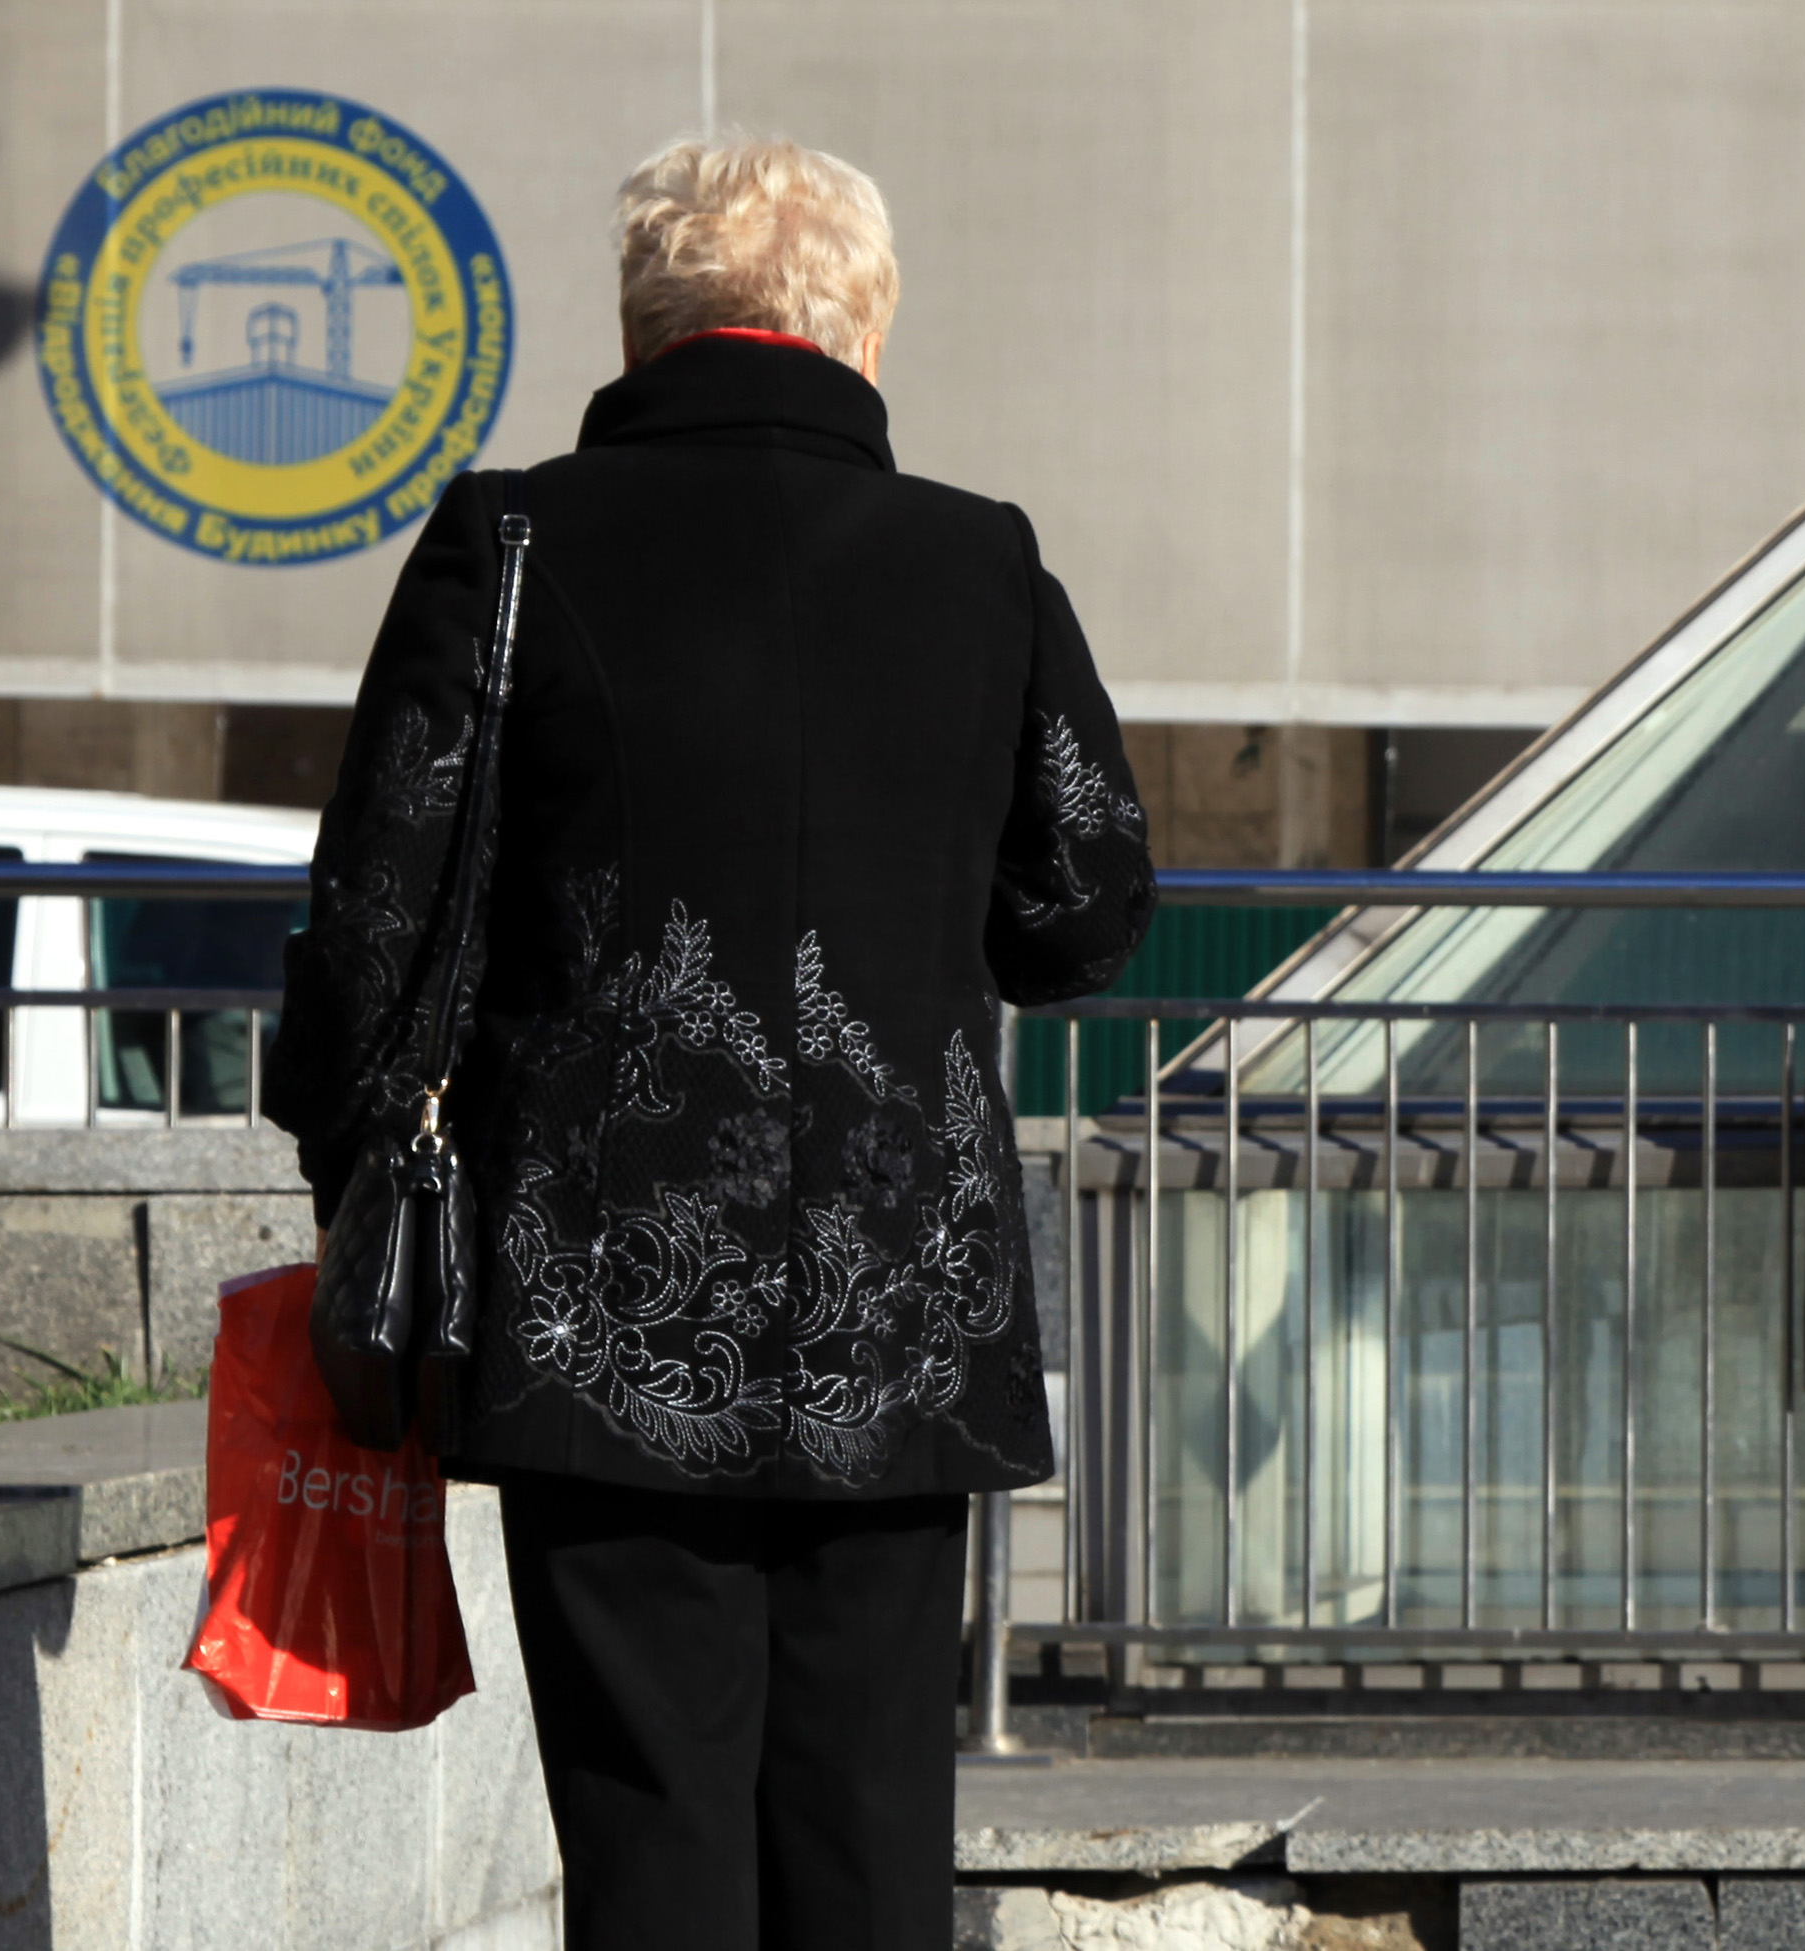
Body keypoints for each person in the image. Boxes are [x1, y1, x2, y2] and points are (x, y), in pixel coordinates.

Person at [265, 133, 1154, 1949]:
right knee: (869, 1822)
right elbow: (1085, 910)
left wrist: (341, 1152)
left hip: (601, 1300)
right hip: (897, 1305)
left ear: (645, 320)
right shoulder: (982, 564)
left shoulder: (510, 538)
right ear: (864, 330)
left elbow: (376, 912)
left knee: (648, 1824)